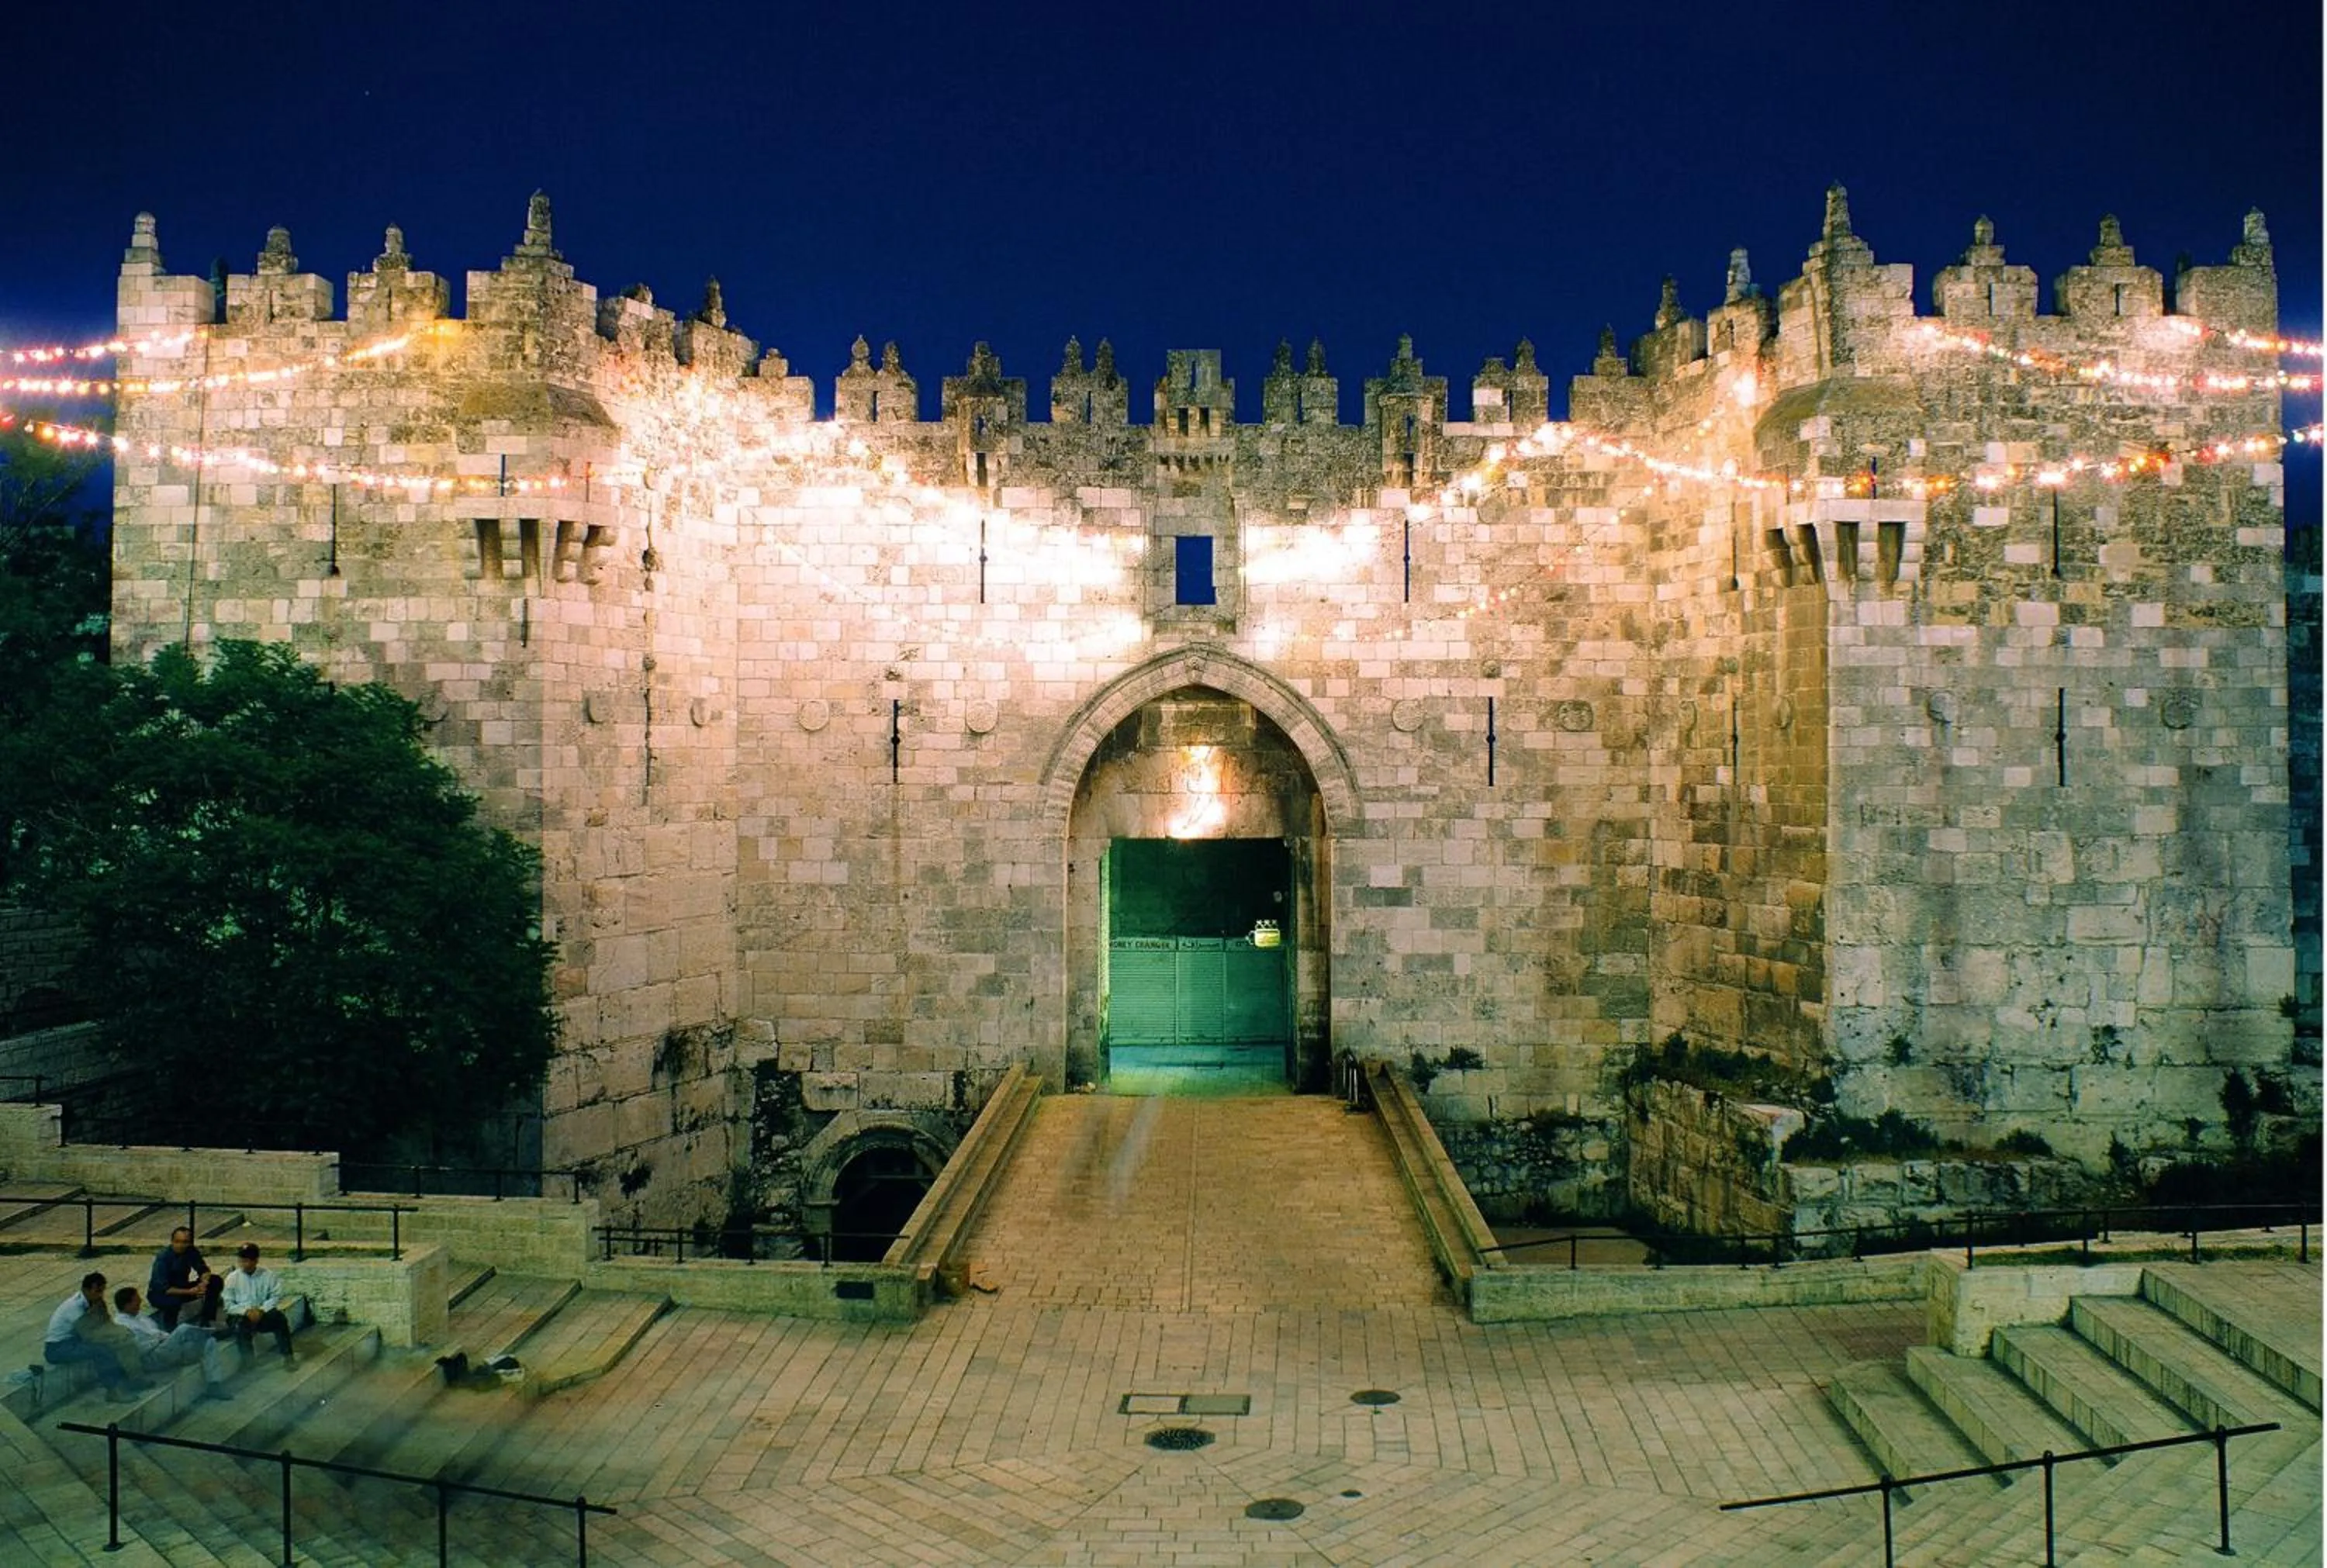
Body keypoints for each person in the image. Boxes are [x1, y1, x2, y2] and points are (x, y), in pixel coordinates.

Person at [43, 1272, 144, 1400]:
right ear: (86, 1290)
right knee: (102, 1351)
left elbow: (105, 1323)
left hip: (76, 1340)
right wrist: (111, 1338)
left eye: (102, 1291)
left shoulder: (95, 1301)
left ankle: (133, 1379)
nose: (100, 1295)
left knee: (122, 1342)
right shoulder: (74, 1307)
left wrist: (119, 1335)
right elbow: (89, 1335)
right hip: (58, 1348)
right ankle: (113, 1391)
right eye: (97, 1291)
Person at [112, 1285, 228, 1394]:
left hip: (167, 1352)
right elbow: (139, 1349)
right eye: (136, 1300)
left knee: (210, 1342)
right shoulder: (121, 1324)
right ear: (127, 1305)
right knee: (183, 1329)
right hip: (152, 1358)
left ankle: (214, 1385)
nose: (140, 1302)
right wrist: (162, 1340)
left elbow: (158, 1332)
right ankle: (212, 1330)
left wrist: (167, 1339)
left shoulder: (140, 1316)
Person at [221, 1244, 295, 1362]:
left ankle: (288, 1357)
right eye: (243, 1261)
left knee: (280, 1319)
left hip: (262, 1314)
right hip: (241, 1315)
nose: (246, 1264)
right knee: (240, 1326)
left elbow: (275, 1296)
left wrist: (261, 1310)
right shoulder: (232, 1278)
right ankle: (249, 1364)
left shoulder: (268, 1275)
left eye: (249, 1260)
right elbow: (228, 1304)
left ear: (256, 1261)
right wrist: (246, 1312)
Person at [147, 1226, 221, 1331]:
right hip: (161, 1294)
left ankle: (207, 1320)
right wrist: (190, 1292)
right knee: (173, 1302)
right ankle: (170, 1330)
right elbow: (165, 1289)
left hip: (183, 1287)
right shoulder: (163, 1258)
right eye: (178, 1242)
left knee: (215, 1281)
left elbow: (203, 1269)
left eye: (185, 1242)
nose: (181, 1245)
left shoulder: (191, 1251)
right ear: (172, 1242)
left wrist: (204, 1282)